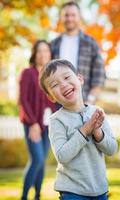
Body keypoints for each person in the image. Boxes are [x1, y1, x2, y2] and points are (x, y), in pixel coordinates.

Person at [39, 59, 118, 200]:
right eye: (55, 84)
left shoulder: (97, 113)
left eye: (67, 77)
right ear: (51, 97)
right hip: (72, 191)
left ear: (80, 79)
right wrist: (85, 130)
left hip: (100, 190)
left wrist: (98, 133)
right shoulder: (56, 120)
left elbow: (111, 149)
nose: (63, 84)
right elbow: (62, 156)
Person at [19, 40, 56, 200]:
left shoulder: (52, 75)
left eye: (46, 51)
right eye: (39, 51)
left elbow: (55, 100)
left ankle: (37, 196)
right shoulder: (28, 73)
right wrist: (33, 123)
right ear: (34, 54)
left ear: (50, 54)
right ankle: (24, 196)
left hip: (48, 125)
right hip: (32, 124)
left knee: (41, 164)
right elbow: (24, 99)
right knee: (37, 159)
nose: (43, 54)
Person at [50, 1, 106, 104]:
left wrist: (90, 100)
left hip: (83, 101)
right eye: (66, 15)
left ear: (79, 17)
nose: (69, 18)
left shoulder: (90, 43)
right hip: (57, 104)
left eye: (73, 15)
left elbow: (99, 74)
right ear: (61, 18)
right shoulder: (53, 44)